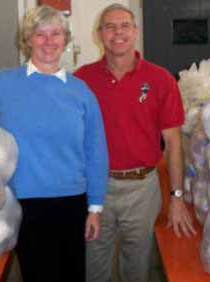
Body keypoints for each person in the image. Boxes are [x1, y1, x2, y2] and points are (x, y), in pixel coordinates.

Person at [0, 5, 108, 282]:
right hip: (24, 204)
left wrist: (95, 207)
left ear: (65, 40)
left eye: (55, 34)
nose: (48, 41)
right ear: (27, 40)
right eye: (40, 34)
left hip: (72, 203)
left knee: (72, 276)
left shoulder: (80, 91)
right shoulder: (0, 85)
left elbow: (96, 151)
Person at [74, 4, 196, 282]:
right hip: (95, 188)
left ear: (135, 31)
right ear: (99, 34)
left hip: (142, 189)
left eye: (125, 25)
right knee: (93, 265)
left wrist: (177, 198)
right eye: (110, 26)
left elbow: (174, 142)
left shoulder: (160, 79)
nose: (118, 32)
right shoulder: (81, 79)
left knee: (138, 267)